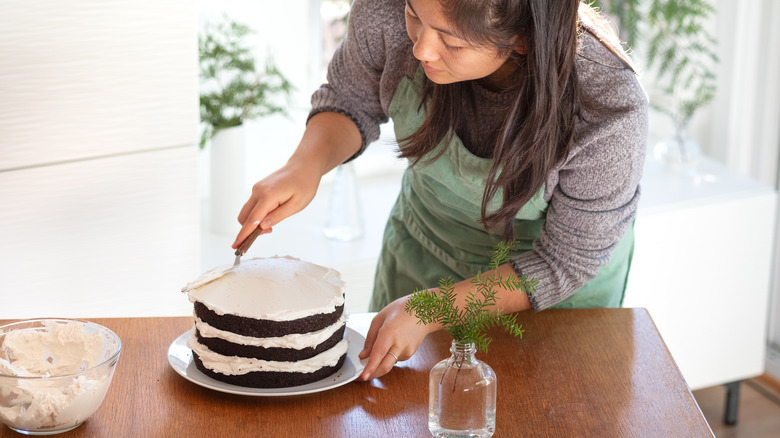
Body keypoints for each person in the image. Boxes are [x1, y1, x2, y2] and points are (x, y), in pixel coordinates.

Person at [232, 0, 647, 382]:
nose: (422, 50)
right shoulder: (387, 11)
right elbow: (350, 98)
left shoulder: (607, 104)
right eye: (414, 15)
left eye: (450, 40)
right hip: (423, 251)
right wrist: (305, 166)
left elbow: (565, 261)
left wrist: (434, 308)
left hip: (547, 295)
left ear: (521, 37)